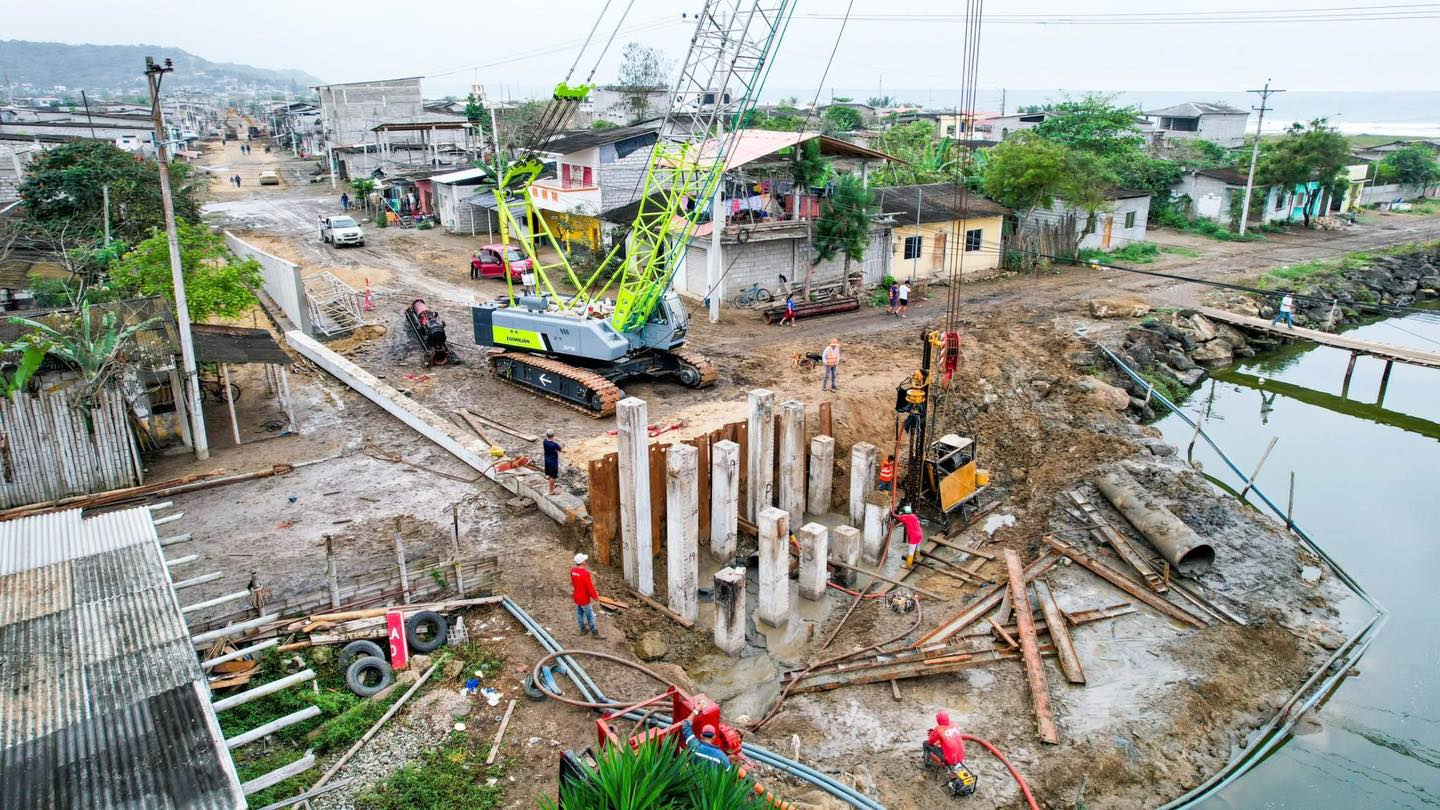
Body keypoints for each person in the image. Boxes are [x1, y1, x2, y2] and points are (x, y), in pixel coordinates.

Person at [924, 711, 977, 796]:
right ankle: (954, 768)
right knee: (950, 752)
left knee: (925, 744)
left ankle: (927, 764)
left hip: (950, 758)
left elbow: (930, 742)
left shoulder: (938, 729)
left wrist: (932, 733)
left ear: (937, 721)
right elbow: (949, 737)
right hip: (961, 755)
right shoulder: (955, 724)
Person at [569, 553, 605, 638]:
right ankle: (595, 633)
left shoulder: (573, 571)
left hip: (577, 597)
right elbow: (589, 588)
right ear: (582, 562)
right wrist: (595, 597)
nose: (586, 561)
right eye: (585, 560)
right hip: (584, 599)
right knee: (591, 616)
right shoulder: (585, 573)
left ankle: (582, 629)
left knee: (580, 613)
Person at [543, 430, 563, 494]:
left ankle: (553, 485)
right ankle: (551, 491)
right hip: (553, 462)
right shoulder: (554, 445)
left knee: (549, 474)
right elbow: (561, 450)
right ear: (553, 436)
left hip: (547, 460)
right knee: (553, 477)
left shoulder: (544, 441)